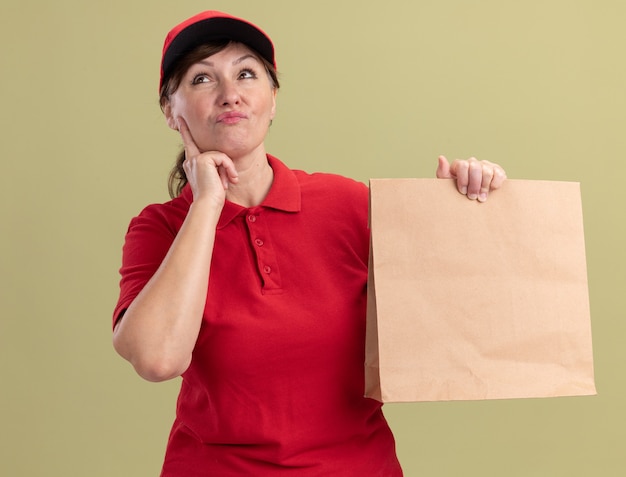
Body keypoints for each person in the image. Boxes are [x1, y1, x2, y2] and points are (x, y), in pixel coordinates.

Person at [112, 10, 507, 477]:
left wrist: (460, 216)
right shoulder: (160, 228)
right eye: (202, 79)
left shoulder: (347, 204)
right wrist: (206, 205)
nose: (230, 94)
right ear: (170, 111)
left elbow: (446, 328)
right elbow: (158, 359)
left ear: (273, 98)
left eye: (245, 73)